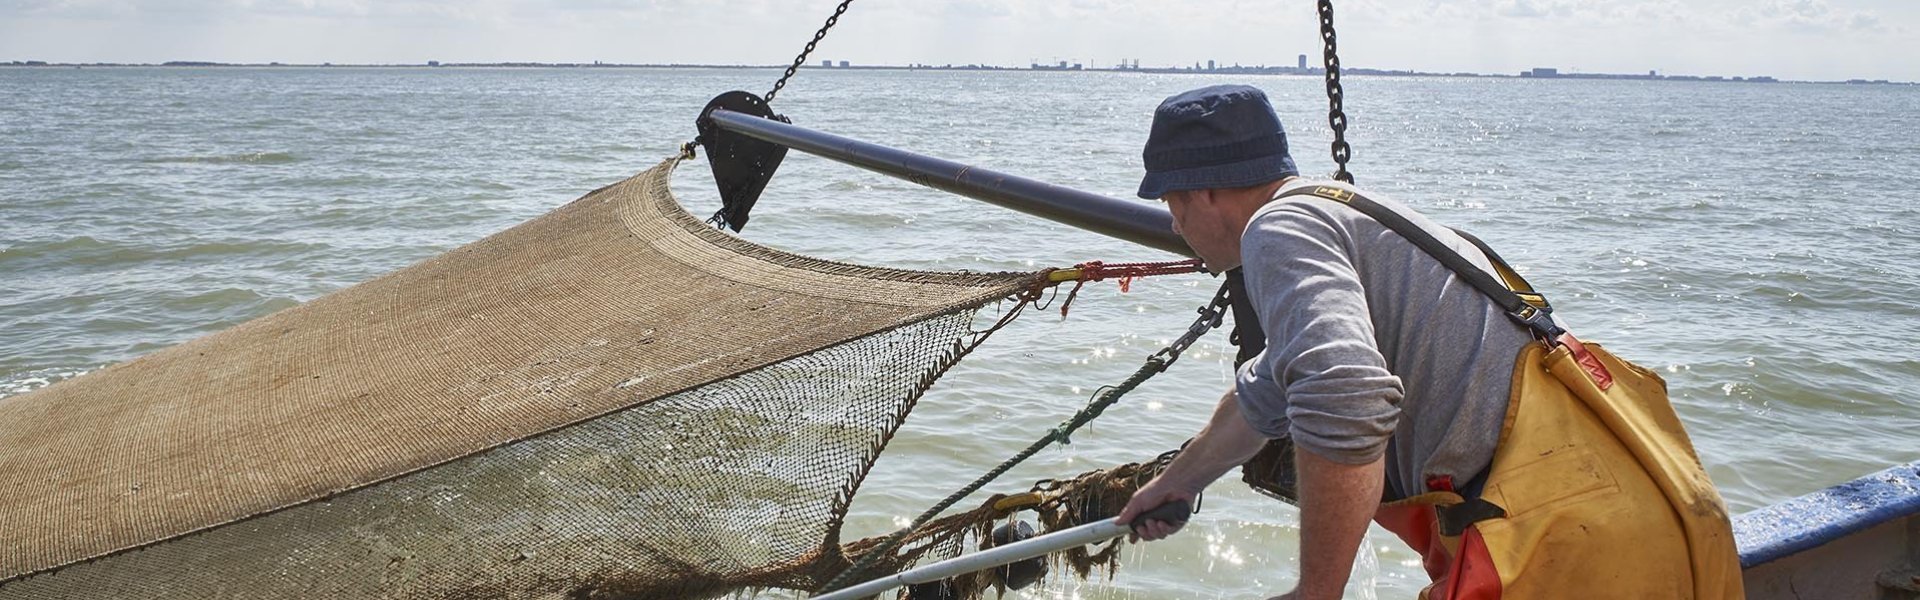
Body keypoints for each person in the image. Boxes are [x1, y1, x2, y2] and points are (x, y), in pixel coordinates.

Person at [1114, 85, 1742, 599]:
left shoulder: (1278, 229)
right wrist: (1178, 482)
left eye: (1172, 203)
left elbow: (1345, 393)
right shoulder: (1351, 212)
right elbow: (1273, 385)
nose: (1175, 225)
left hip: (1559, 542)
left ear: (1203, 189)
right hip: (1654, 514)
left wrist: (1316, 592)